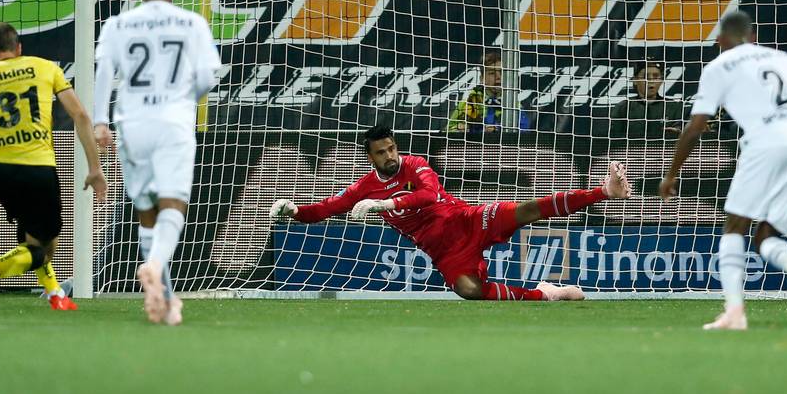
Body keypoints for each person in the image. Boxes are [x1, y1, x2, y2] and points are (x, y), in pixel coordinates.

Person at [270, 124, 632, 300]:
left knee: (526, 211)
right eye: (381, 153)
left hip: (466, 220)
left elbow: (428, 196)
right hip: (444, 251)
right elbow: (325, 210)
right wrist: (294, 210)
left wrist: (387, 204)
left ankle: (603, 191)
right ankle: (547, 294)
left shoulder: (415, 165)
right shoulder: (363, 188)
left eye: (392, 148)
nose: (390, 156)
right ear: (370, 157)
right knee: (469, 291)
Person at [660, 11, 787, 330]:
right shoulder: (781, 57)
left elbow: (695, 126)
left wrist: (671, 173)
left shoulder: (717, 66)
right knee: (766, 235)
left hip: (767, 140)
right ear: (752, 37)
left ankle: (735, 312)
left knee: (734, 227)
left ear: (720, 42)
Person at [93, 0, 223, 325]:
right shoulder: (192, 23)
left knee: (146, 212)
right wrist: (183, 96)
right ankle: (152, 267)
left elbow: (105, 70)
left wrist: (101, 121)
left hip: (131, 125)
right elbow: (207, 79)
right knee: (173, 206)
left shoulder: (118, 23)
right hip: (172, 123)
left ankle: (165, 301)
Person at [0, 21, 107, 311]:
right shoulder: (46, 67)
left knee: (32, 235)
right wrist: (94, 167)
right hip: (38, 167)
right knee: (44, 249)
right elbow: (80, 116)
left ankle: (56, 295)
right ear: (19, 48)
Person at [445, 51, 531, 133]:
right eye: (492, 73)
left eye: (501, 72)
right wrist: (460, 130)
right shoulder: (469, 103)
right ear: (482, 79)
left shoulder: (513, 105)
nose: (498, 77)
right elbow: (448, 130)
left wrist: (497, 129)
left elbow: (524, 130)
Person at [607, 61, 684, 140]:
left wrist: (678, 133)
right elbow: (614, 139)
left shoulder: (674, 107)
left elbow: (683, 135)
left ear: (661, 80)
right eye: (645, 77)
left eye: (656, 76)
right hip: (632, 151)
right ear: (635, 80)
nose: (650, 80)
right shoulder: (623, 107)